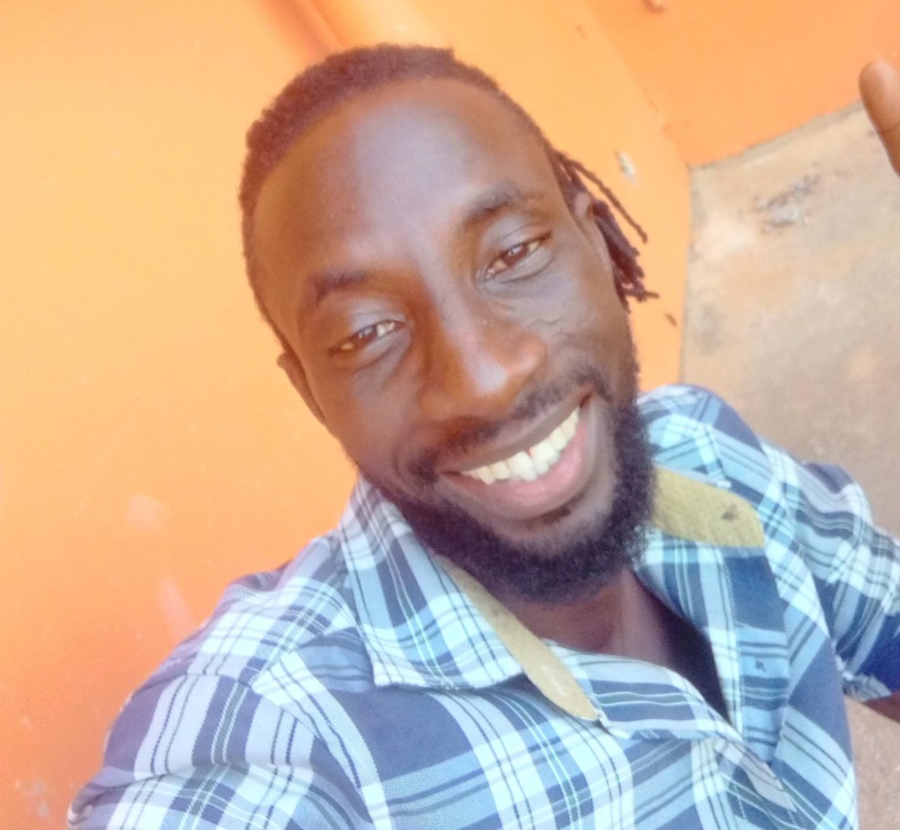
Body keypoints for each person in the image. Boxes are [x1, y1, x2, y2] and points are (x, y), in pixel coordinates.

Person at [70, 46, 900, 829]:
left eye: (515, 252)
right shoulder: (286, 733)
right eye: (365, 332)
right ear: (313, 396)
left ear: (598, 244)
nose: (483, 378)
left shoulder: (704, 452)